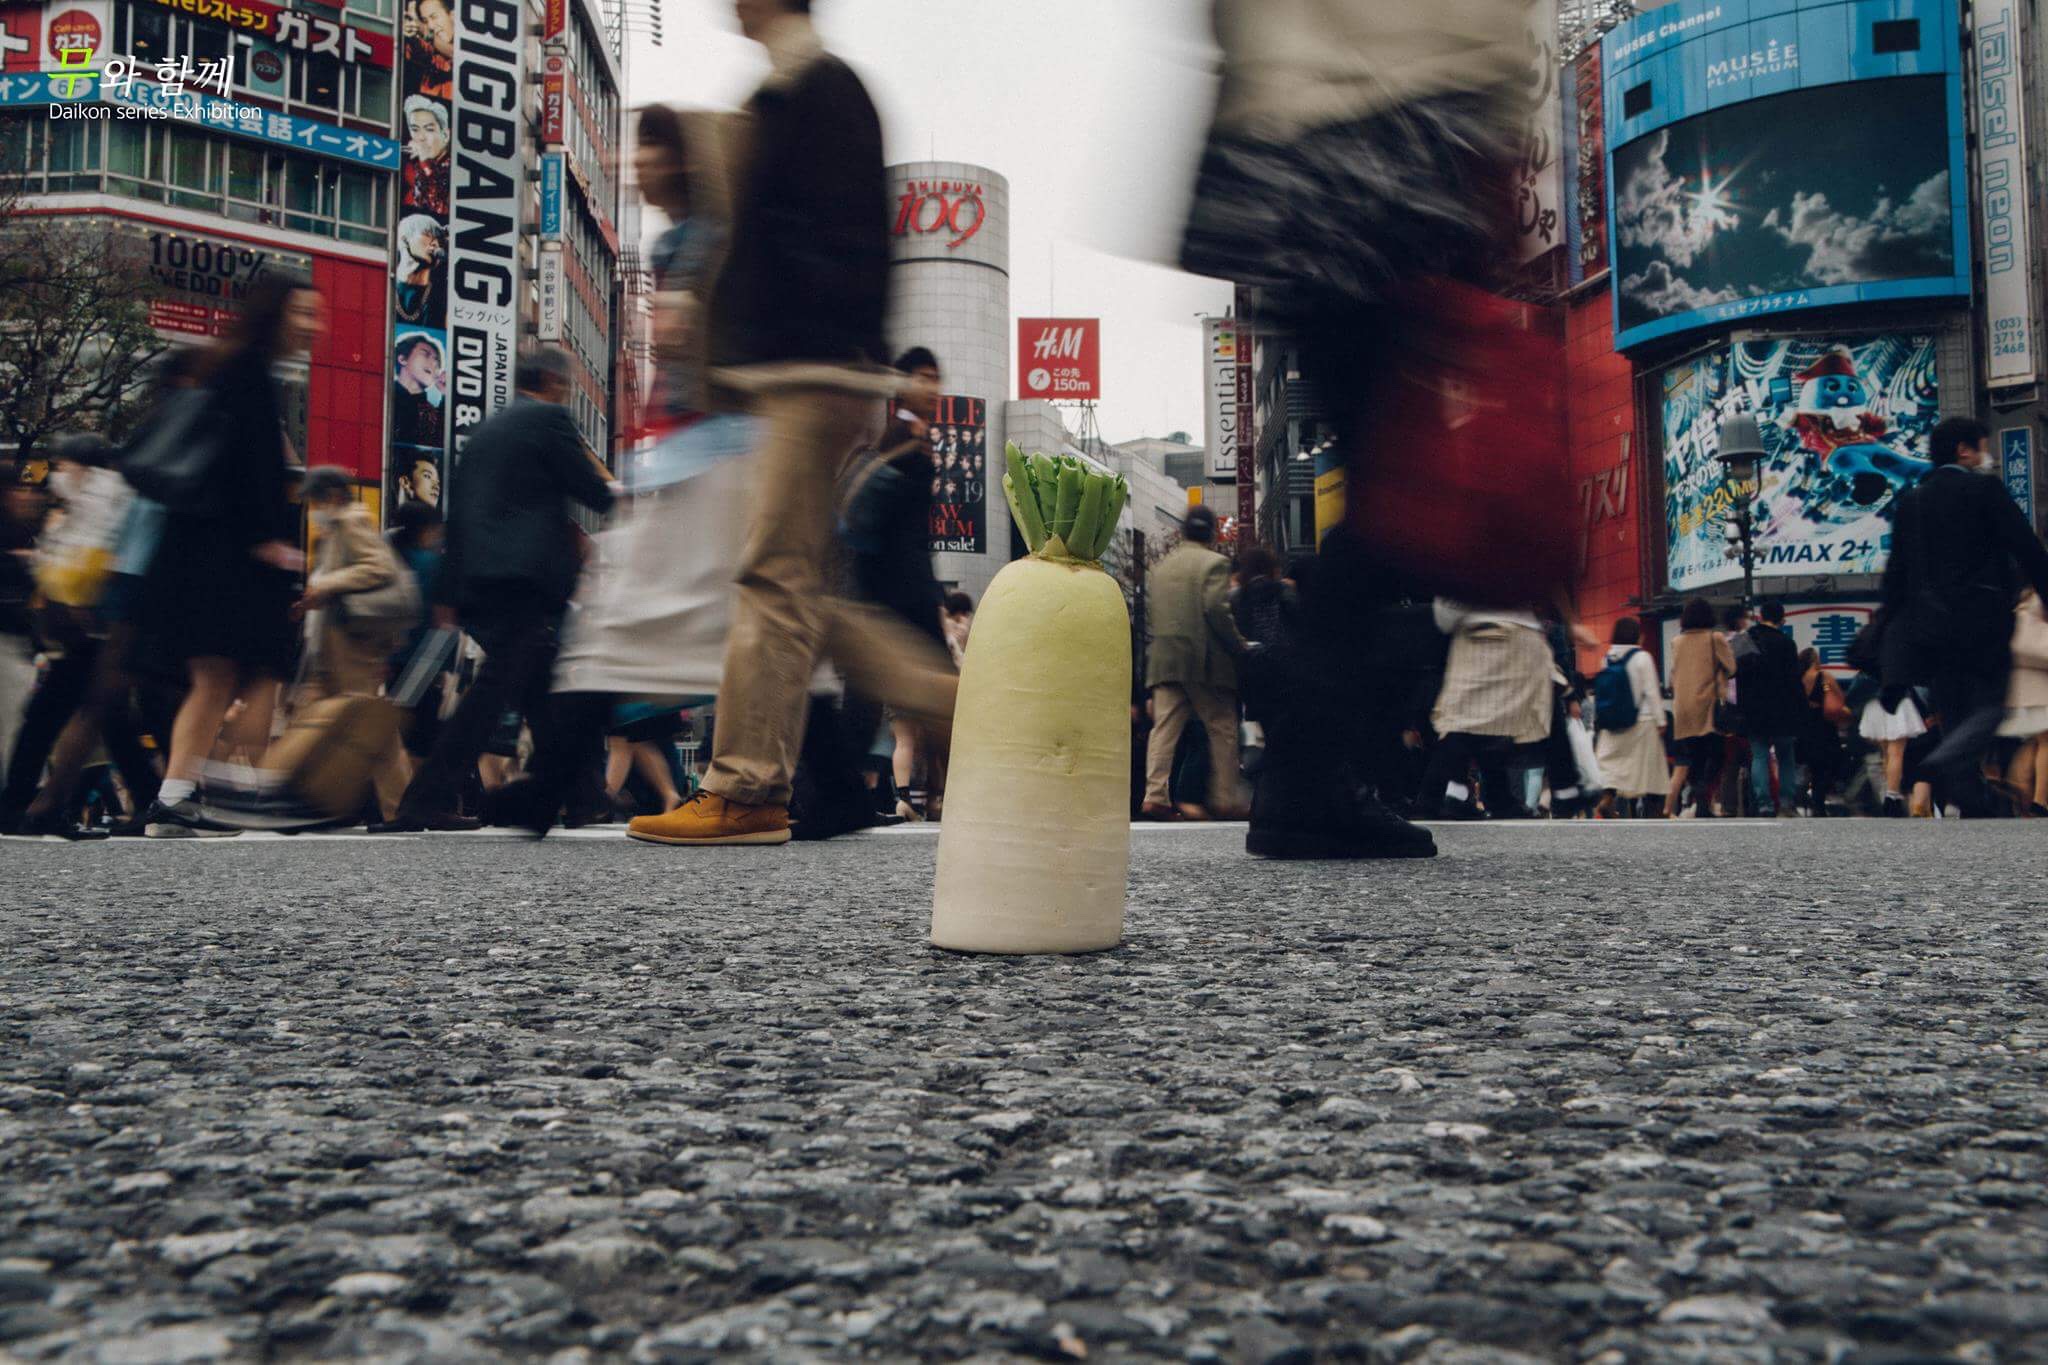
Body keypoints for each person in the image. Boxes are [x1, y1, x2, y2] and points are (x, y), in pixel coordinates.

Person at [623, 0, 958, 848]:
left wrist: (832, 354)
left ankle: (744, 788)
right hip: (801, 372)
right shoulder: (784, 90)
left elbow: (846, 243)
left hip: (813, 371)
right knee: (798, 589)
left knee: (773, 578)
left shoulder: (819, 88)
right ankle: (972, 711)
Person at [389, 347, 614, 831]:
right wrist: (627, 498)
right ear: (555, 383)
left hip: (480, 583)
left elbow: (460, 514)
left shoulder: (484, 433)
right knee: (494, 692)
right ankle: (422, 798)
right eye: (569, 384)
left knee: (537, 685)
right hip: (526, 579)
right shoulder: (549, 419)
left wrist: (449, 593)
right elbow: (588, 487)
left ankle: (581, 795)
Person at [138, 272, 324, 837]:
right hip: (230, 557)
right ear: (275, 315)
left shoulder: (231, 368)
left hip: (198, 553)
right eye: (303, 314)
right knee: (262, 674)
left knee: (213, 679)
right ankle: (241, 789)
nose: (314, 327)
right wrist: (268, 540)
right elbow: (245, 470)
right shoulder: (249, 376)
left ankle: (176, 796)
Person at [1882, 416, 2048, 816]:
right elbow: (2027, 549)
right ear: (1964, 449)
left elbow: (1895, 576)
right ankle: (1939, 763)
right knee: (1990, 706)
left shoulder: (1913, 500)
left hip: (1930, 629)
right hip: (1984, 622)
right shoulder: (1985, 490)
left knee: (1954, 715)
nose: (1986, 455)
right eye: (1982, 445)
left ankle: (1977, 808)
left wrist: (1891, 635)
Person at [842, 347, 950, 822]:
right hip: (899, 582)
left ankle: (843, 793)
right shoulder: (901, 435)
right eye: (923, 377)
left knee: (865, 694)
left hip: (888, 581)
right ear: (901, 383)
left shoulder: (913, 435)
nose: (932, 387)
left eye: (936, 379)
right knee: (943, 689)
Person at [279, 468, 417, 826]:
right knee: (349, 720)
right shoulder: (333, 530)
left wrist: (327, 585)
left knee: (365, 722)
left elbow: (379, 567)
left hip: (353, 642)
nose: (313, 509)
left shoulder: (352, 521)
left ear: (334, 496)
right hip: (335, 641)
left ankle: (399, 806)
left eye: (316, 500)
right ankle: (331, 802)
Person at [1140, 504, 1250, 821]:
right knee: (1223, 727)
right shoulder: (1215, 564)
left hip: (1164, 660)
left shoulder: (1160, 568)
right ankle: (1225, 797)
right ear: (1211, 534)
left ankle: (1155, 796)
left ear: (1182, 531)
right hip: (1204, 661)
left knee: (1164, 729)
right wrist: (1239, 645)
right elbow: (1216, 609)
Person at [1419, 600, 1554, 819]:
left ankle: (1461, 797)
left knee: (1476, 726)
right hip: (1480, 635)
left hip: (1471, 635)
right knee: (1469, 727)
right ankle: (1439, 797)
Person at [1736, 599, 1809, 818]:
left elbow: (1736, 675)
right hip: (1783, 709)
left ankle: (1764, 804)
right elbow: (1794, 681)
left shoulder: (1745, 639)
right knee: (1786, 756)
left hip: (1754, 710)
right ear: (1782, 619)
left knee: (1759, 756)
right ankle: (1786, 803)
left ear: (1760, 616)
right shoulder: (1786, 643)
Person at [1666, 595, 1735, 818]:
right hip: (1708, 704)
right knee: (1716, 753)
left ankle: (1700, 796)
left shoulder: (1677, 642)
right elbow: (1732, 667)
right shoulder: (1715, 638)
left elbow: (1674, 675)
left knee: (1693, 756)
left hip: (1683, 706)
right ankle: (1703, 792)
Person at [1592, 617, 1667, 817]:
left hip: (1613, 722)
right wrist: (1661, 721)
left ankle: (1608, 797)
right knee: (1652, 771)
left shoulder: (1607, 657)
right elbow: (1651, 691)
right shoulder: (1642, 657)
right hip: (1642, 720)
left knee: (1613, 765)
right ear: (1636, 635)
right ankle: (1654, 812)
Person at [0, 465, 44, 775]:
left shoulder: (21, 532)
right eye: (16, 488)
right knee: (13, 722)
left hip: (16, 643)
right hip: (6, 644)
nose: (24, 494)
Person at [1999, 590, 2048, 817]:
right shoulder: (2037, 601)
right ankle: (2039, 798)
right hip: (2038, 684)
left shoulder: (2019, 601)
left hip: (2021, 685)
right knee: (2045, 741)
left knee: (2036, 741)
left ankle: (2020, 785)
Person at [1795, 646, 1849, 816]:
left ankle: (1797, 799)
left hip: (1803, 726)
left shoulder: (1796, 679)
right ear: (1815, 660)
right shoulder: (1824, 676)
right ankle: (1818, 804)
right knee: (1823, 767)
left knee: (1804, 765)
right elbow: (1839, 698)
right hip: (1823, 726)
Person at [391, 336, 447, 449]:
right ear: (402, 359)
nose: (435, 363)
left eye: (437, 360)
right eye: (426, 354)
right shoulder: (383, 394)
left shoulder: (432, 413)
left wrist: (447, 395)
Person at [401, 95, 451, 220]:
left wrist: (424, 160)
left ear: (445, 135)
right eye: (415, 130)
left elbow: (438, 198)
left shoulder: (453, 168)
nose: (421, 137)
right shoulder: (410, 164)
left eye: (429, 129)